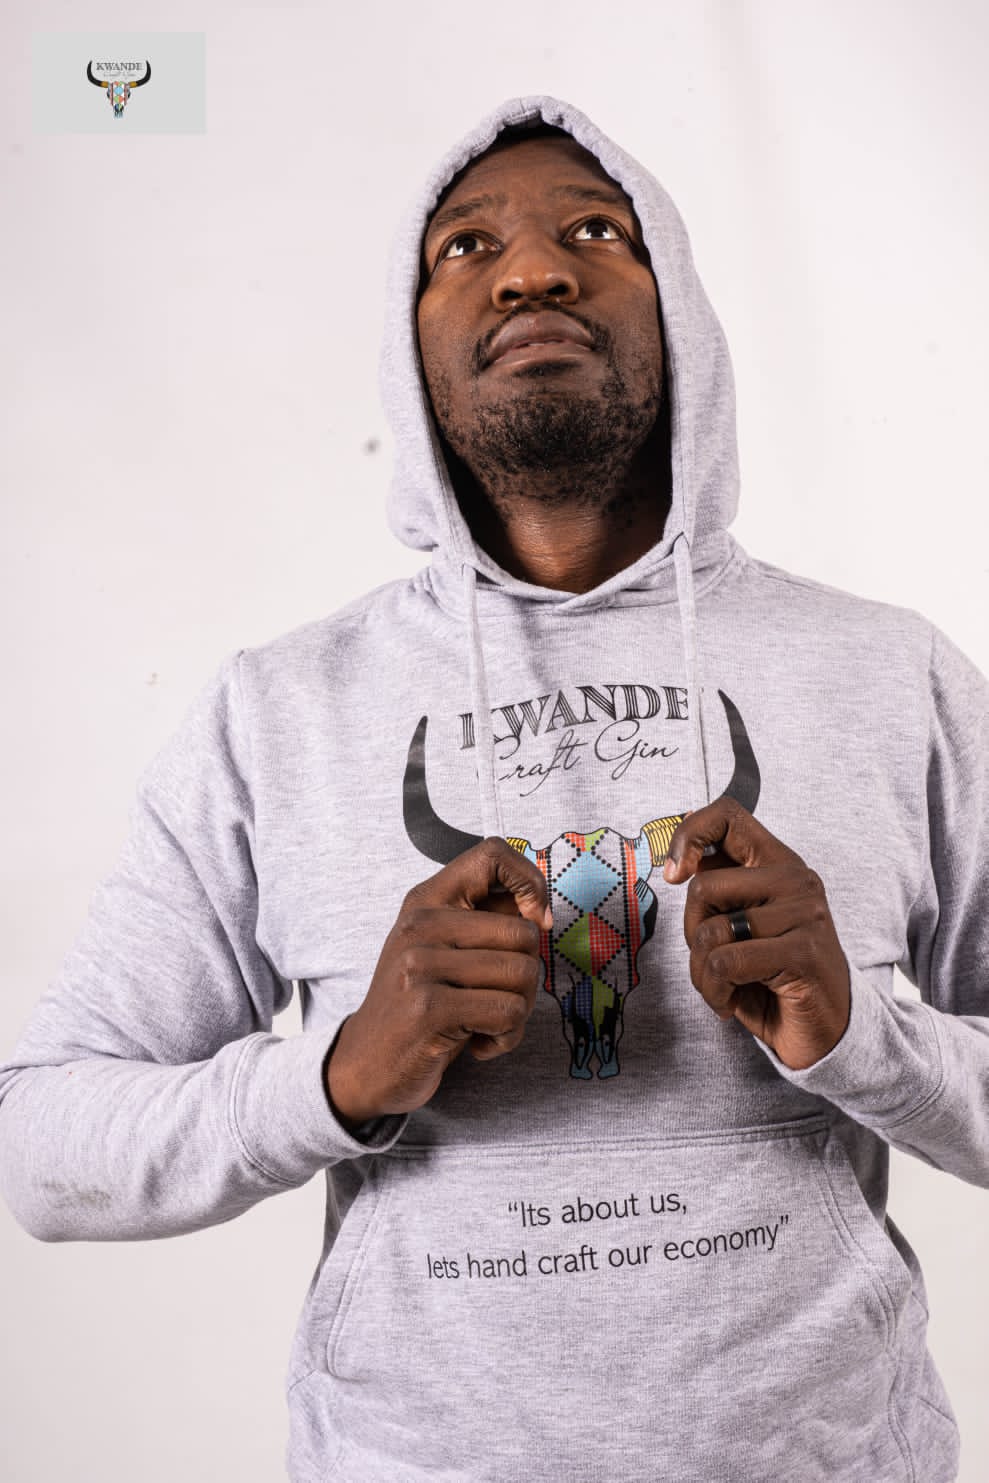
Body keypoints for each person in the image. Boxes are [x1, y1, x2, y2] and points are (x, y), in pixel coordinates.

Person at [0, 94, 984, 1482]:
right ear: (408, 350)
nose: (532, 272)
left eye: (597, 232)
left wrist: (868, 1039)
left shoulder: (891, 674)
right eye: (464, 246)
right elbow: (40, 1148)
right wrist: (339, 1075)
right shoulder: (279, 711)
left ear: (681, 310)